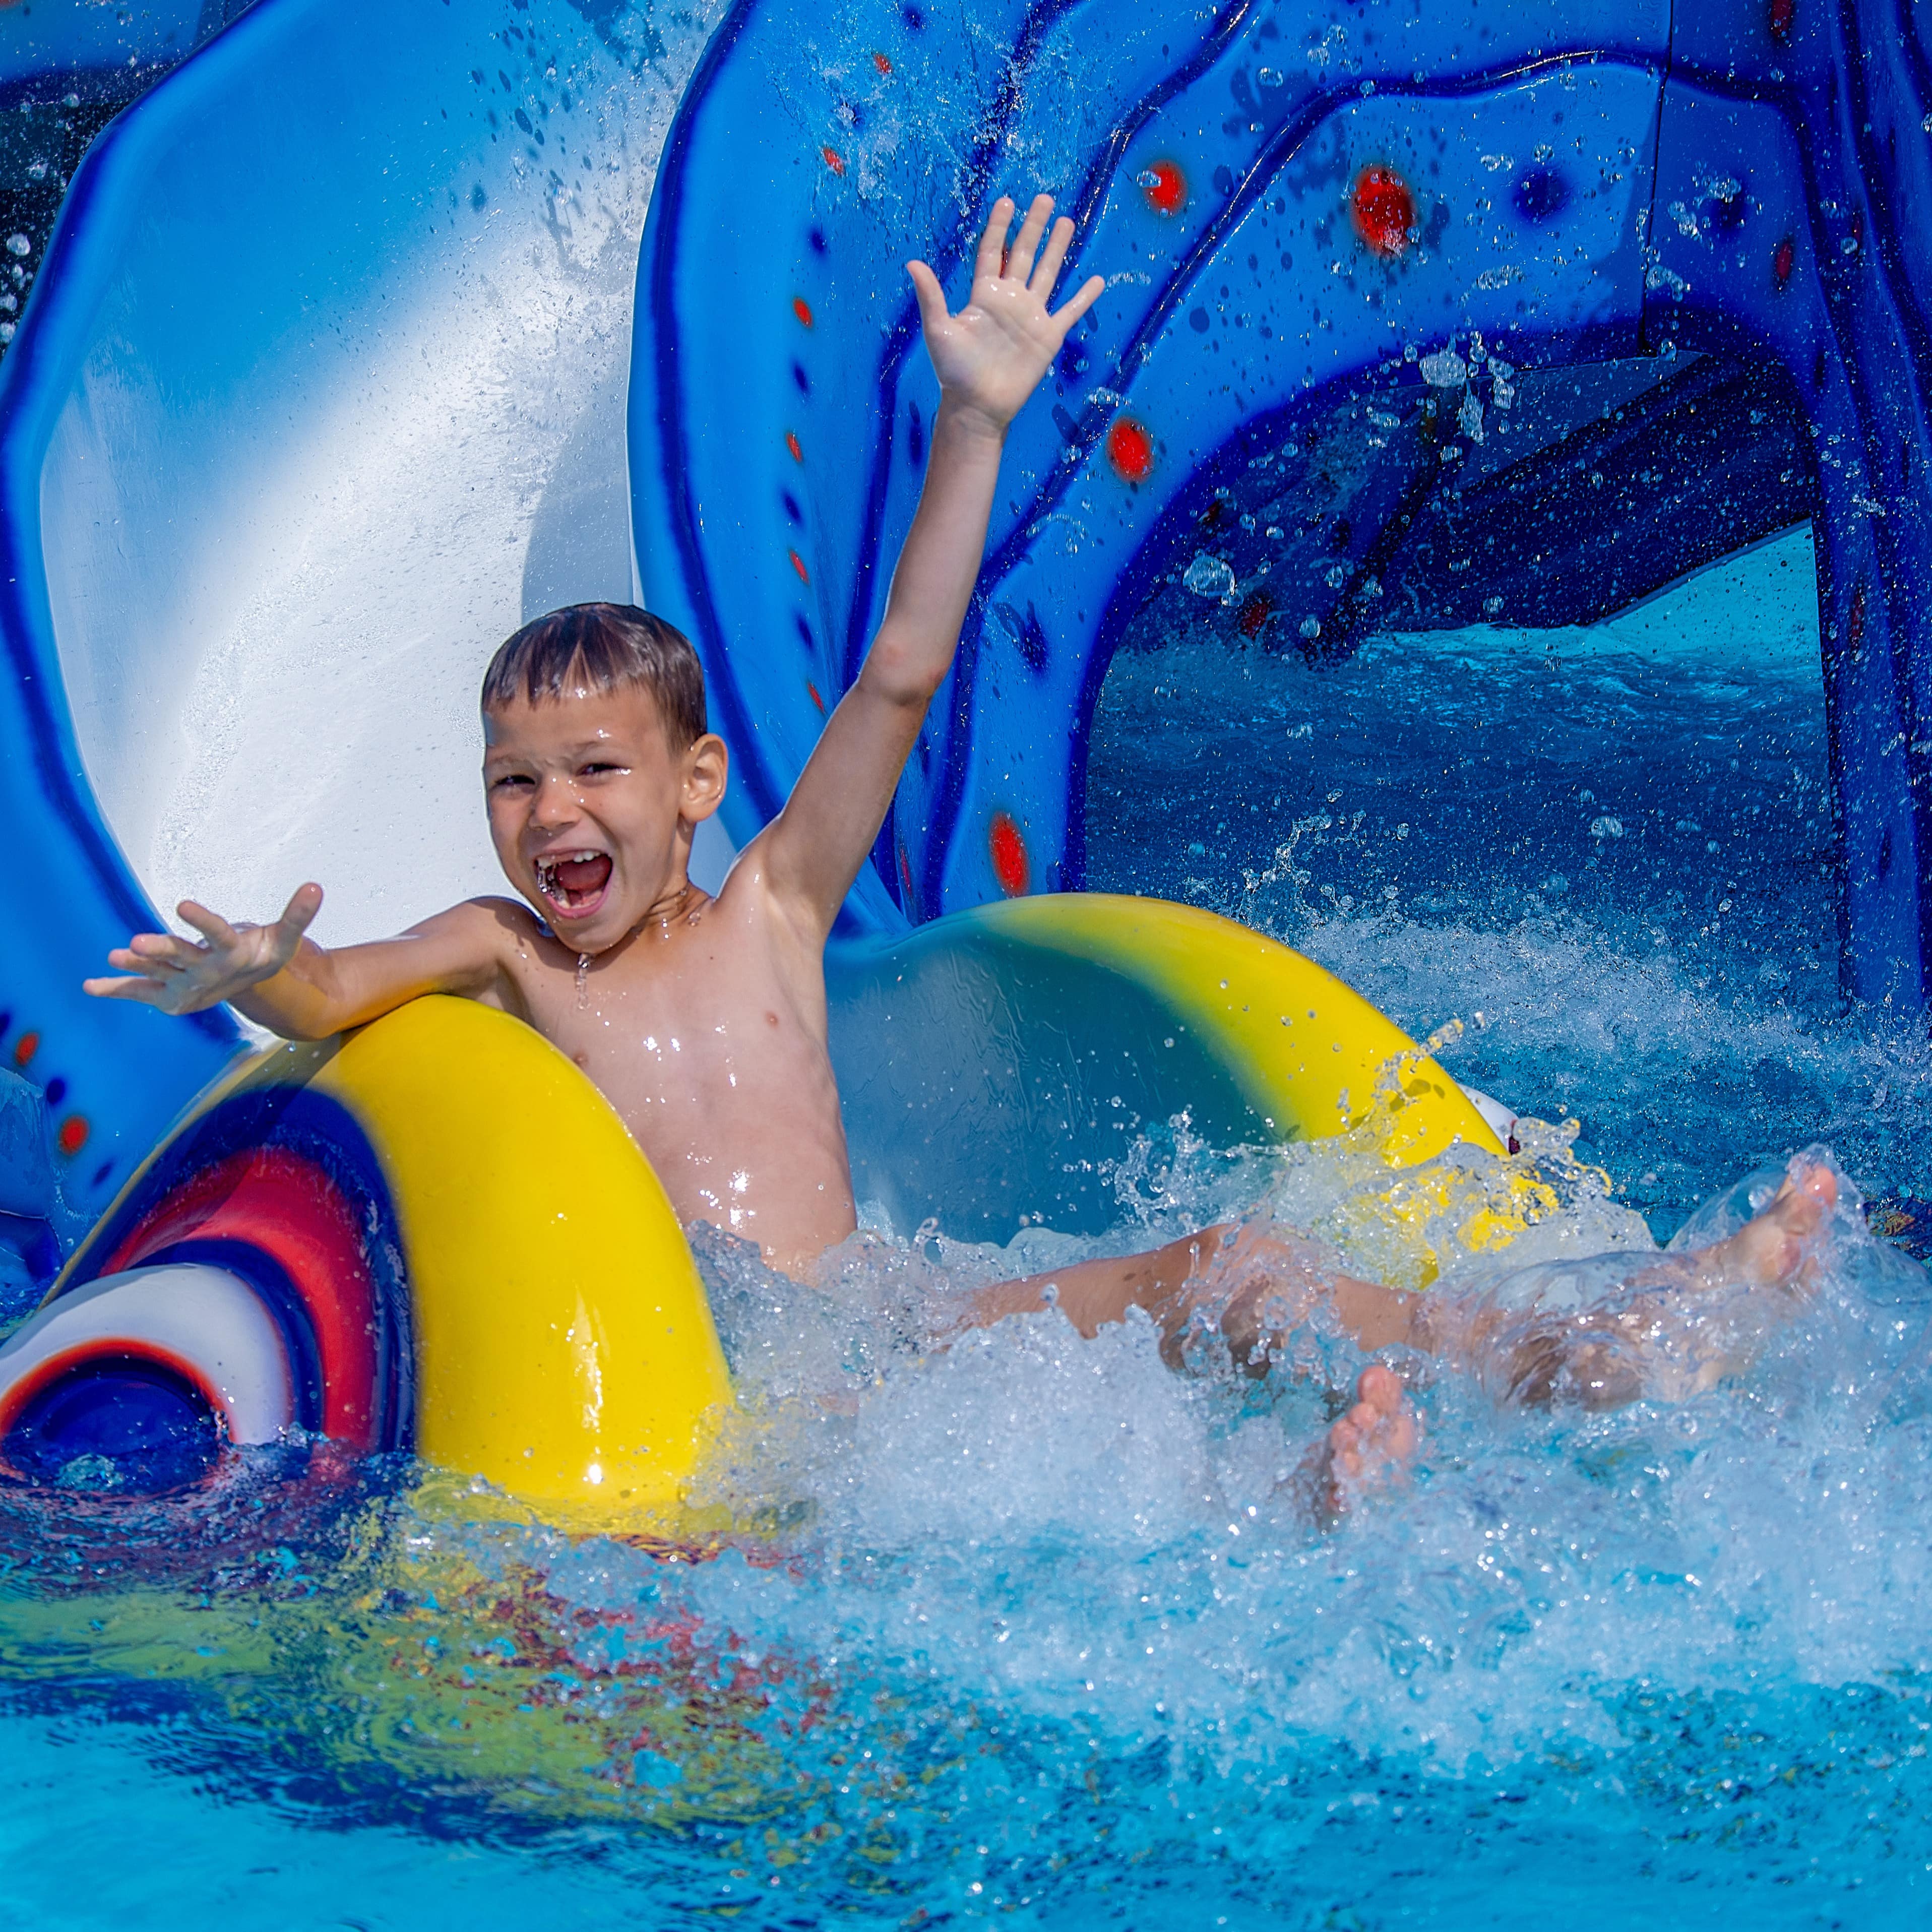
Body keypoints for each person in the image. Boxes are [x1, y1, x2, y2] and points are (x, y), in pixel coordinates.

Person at [82, 195, 1841, 1521]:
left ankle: (1596, 1348)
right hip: (754, 1392)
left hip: (884, 1318)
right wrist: (257, 974)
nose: (551, 816)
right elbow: (336, 988)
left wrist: (978, 420)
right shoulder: (501, 949)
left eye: (594, 771)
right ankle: (1289, 1511)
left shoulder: (775, 903)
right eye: (512, 781)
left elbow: (905, 668)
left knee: (1242, 1261)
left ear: (696, 782)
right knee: (970, 1493)